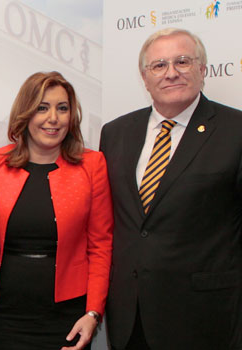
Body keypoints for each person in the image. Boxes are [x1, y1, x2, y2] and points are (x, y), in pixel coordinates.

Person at [99, 28, 242, 349]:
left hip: (205, 317)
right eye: (159, 65)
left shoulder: (236, 131)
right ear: (144, 77)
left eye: (182, 61)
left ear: (203, 69)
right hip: (130, 317)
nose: (171, 73)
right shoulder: (116, 133)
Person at [0, 71, 112, 350]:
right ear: (25, 113)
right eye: (42, 107)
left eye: (62, 108)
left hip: (65, 318)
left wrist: (92, 313)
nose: (53, 118)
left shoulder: (92, 165)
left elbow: (101, 246)